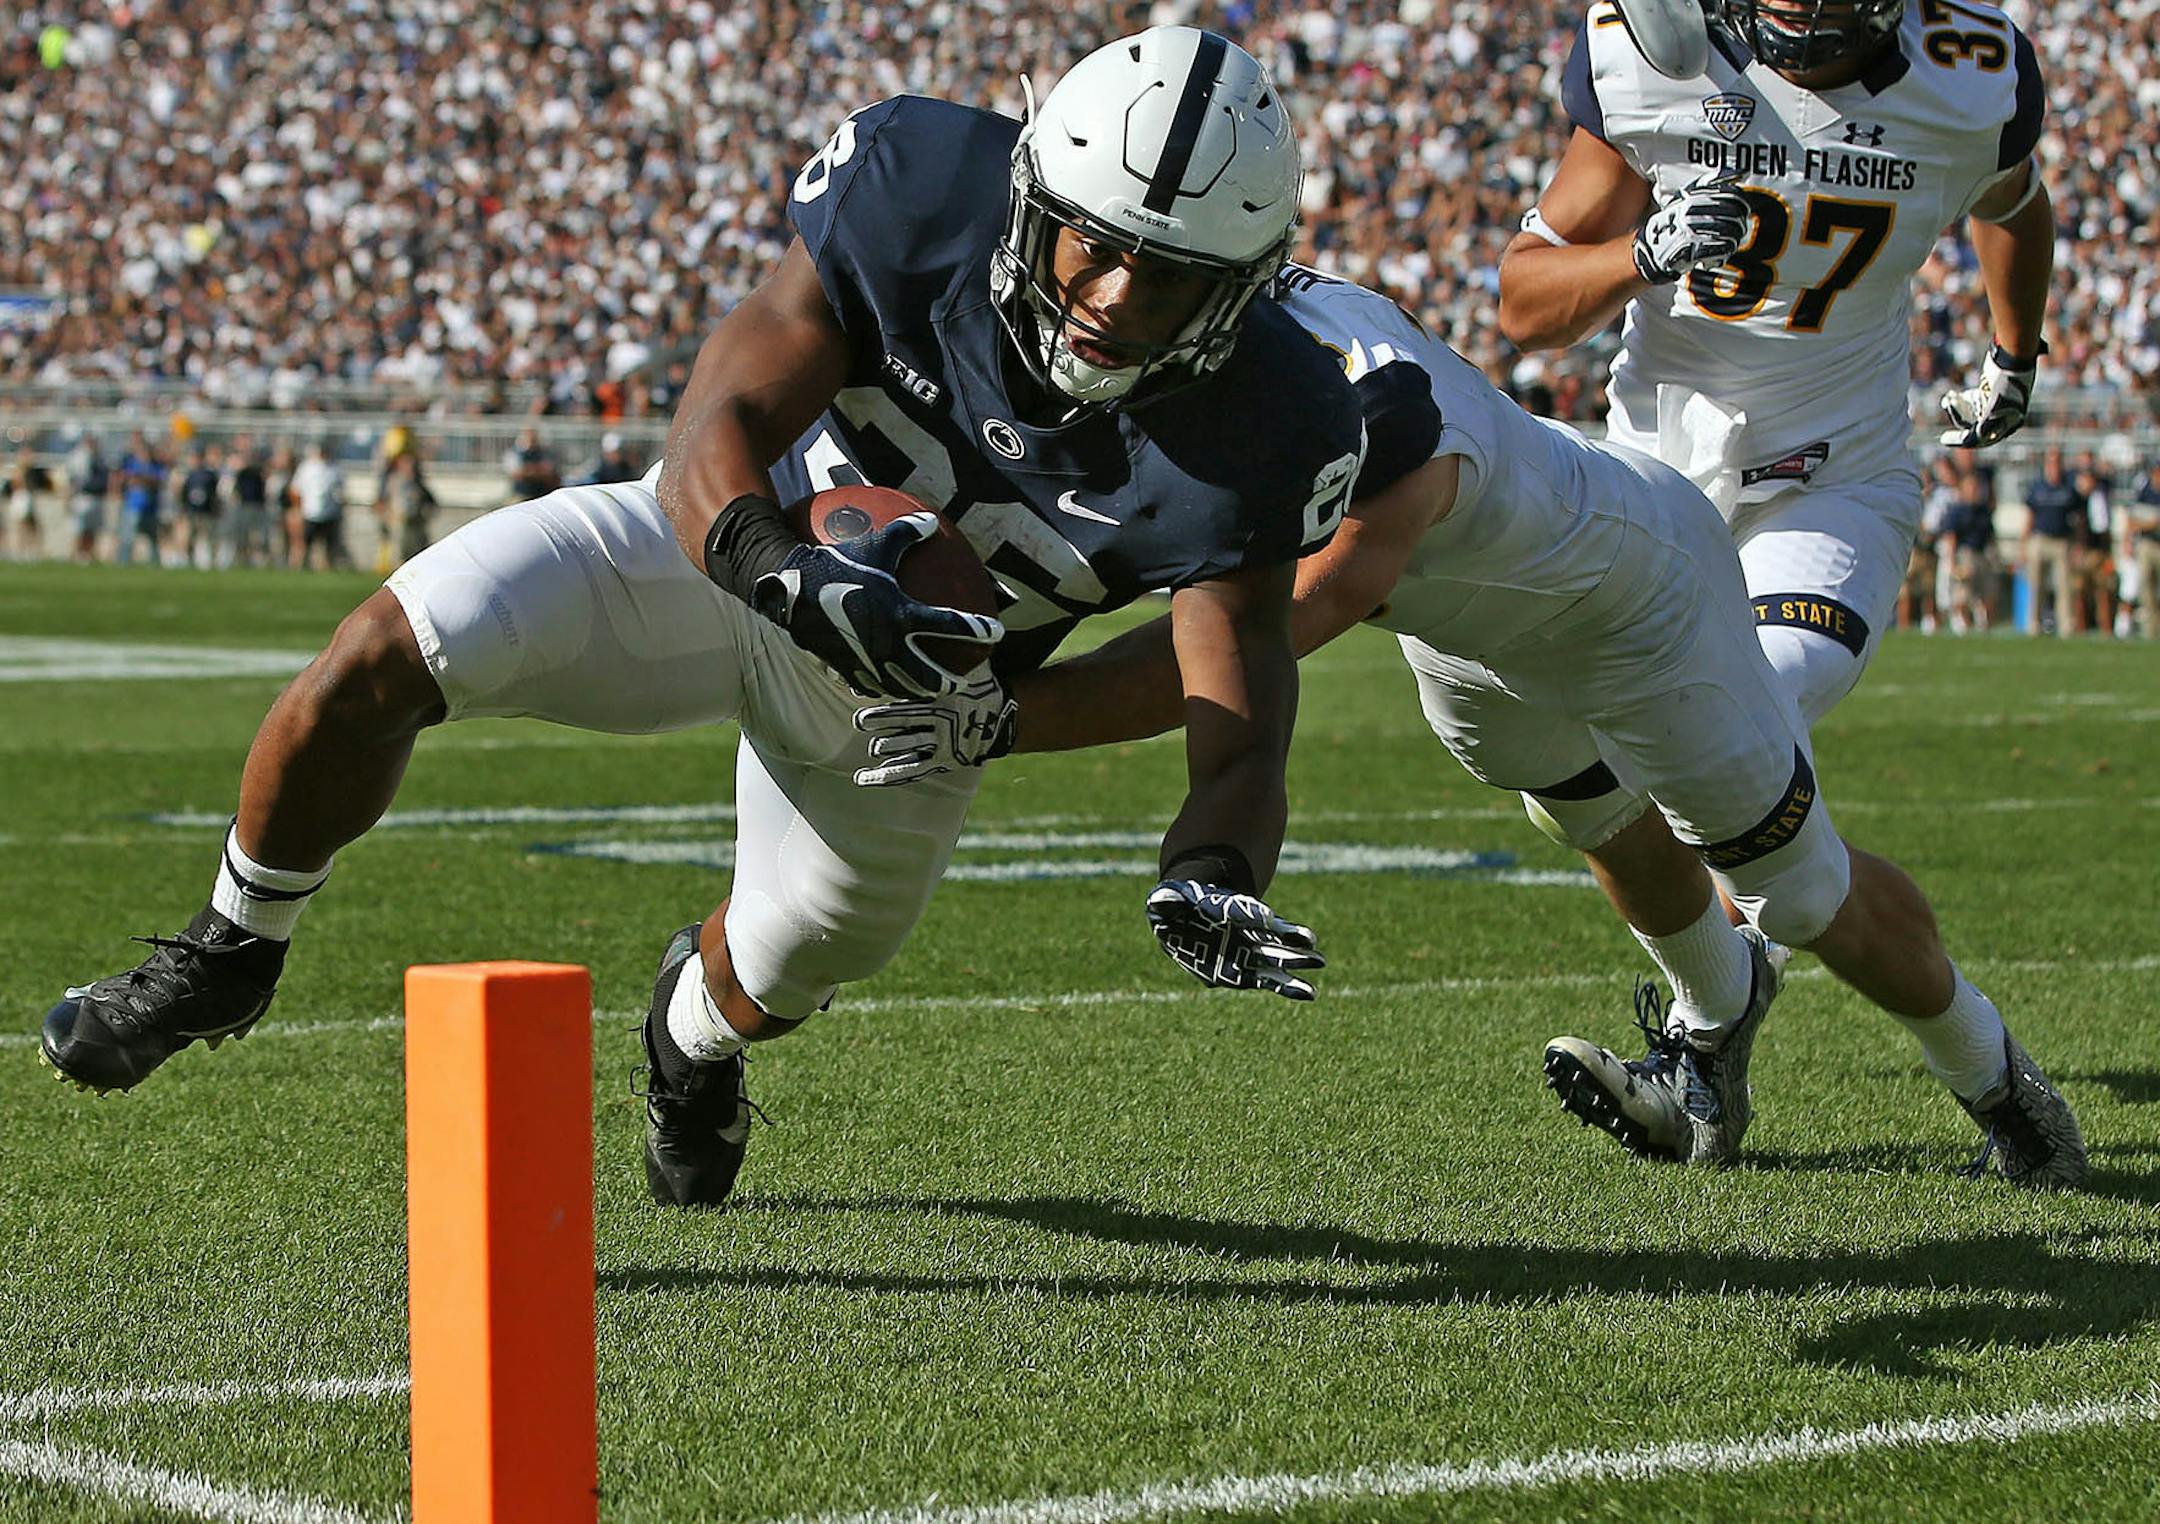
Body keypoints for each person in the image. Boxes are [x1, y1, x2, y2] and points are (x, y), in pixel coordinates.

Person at [38, 29, 1368, 1214]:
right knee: (388, 649)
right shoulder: (921, 188)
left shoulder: (1271, 422)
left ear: (1242, 285)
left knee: (788, 967)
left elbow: (1237, 714)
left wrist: (1215, 868)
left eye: (1171, 276)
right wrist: (777, 563)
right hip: (736, 544)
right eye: (1101, 245)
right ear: (1033, 201)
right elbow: (711, 430)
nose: (1120, 298)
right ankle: (230, 947)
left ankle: (690, 1043)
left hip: (902, 705)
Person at [858, 265, 2086, 1189]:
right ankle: (1715, 1029)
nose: (1117, 303)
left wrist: (1000, 717)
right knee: (1599, 822)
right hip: (1470, 632)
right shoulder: (1202, 340)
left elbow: (1264, 632)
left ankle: (1998, 1081)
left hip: (1634, 598)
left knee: (1797, 894)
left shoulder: (1356, 400)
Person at [1497, 0, 2053, 721]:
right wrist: (1639, 256)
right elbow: (1524, 311)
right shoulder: (1655, 62)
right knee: (1591, 781)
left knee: (1751, 701)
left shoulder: (1967, 75)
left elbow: (2010, 202)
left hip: (1835, 478)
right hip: (1656, 469)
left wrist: (2015, 355)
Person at [2022, 446, 2083, 634]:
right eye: (2051, 462)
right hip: (2040, 539)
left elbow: (2079, 519)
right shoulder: (2038, 487)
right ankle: (2034, 624)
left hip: (2062, 542)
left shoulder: (2069, 489)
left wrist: (2078, 545)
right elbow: (2029, 517)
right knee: (2036, 585)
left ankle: (2066, 626)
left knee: (2064, 587)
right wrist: (2023, 544)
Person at [290, 443, 347, 570]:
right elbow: (295, 489)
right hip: (309, 512)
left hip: (330, 513)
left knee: (329, 544)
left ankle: (328, 566)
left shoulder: (335, 469)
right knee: (305, 542)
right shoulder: (306, 468)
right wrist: (298, 509)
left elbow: (340, 491)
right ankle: (301, 566)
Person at [113, 433, 166, 567]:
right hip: (133, 507)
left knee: (153, 539)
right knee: (127, 538)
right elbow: (124, 479)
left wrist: (142, 479)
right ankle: (123, 563)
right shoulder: (131, 463)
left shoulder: (155, 466)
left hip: (150, 509)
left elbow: (158, 481)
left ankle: (155, 564)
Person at [176, 445, 222, 569]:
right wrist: (183, 510)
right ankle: (189, 561)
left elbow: (214, 494)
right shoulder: (188, 474)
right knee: (190, 537)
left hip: (206, 511)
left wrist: (215, 509)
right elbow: (183, 494)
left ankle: (212, 561)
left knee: (209, 537)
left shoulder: (210, 475)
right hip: (192, 511)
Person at [67, 436, 111, 564]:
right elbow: (73, 479)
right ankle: (75, 554)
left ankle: (89, 554)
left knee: (92, 530)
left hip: (97, 497)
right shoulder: (78, 457)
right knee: (79, 529)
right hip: (83, 497)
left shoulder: (100, 458)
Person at [2130, 461, 2160, 638]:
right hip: (2147, 545)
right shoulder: (2145, 493)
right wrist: (2152, 524)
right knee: (2147, 590)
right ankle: (2151, 631)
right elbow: (2133, 521)